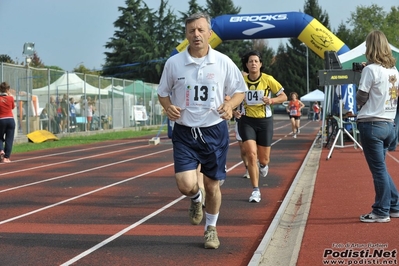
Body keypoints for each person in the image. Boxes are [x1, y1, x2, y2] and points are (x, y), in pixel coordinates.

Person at [157, 12, 247, 249]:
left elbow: (240, 91)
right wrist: (168, 108)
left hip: (213, 131)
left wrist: (229, 105)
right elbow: (162, 92)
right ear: (186, 35)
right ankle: (196, 199)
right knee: (186, 185)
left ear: (209, 33)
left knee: (212, 185)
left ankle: (211, 228)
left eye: (200, 30)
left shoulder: (223, 62)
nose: (196, 34)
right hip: (185, 132)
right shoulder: (174, 63)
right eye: (191, 31)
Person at [355, 30, 399, 223]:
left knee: (378, 171)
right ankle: (395, 206)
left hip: (371, 124)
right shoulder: (394, 71)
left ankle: (381, 211)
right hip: (389, 123)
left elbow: (361, 98)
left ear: (370, 47)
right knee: (381, 169)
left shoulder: (369, 70)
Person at [238, 50, 287, 203]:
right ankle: (255, 190)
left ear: (260, 64)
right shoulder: (241, 81)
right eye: (250, 61)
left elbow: (283, 96)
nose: (253, 63)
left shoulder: (268, 79)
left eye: (256, 61)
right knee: (251, 154)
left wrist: (271, 101)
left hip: (264, 121)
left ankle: (264, 165)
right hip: (246, 121)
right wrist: (233, 110)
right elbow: (228, 96)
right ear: (246, 65)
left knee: (263, 159)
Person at [0, 82, 16, 163]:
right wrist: (9, 95)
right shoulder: (11, 98)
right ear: (7, 89)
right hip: (10, 120)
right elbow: (13, 107)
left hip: (1, 120)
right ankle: (6, 158)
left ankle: (1, 150)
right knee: (9, 139)